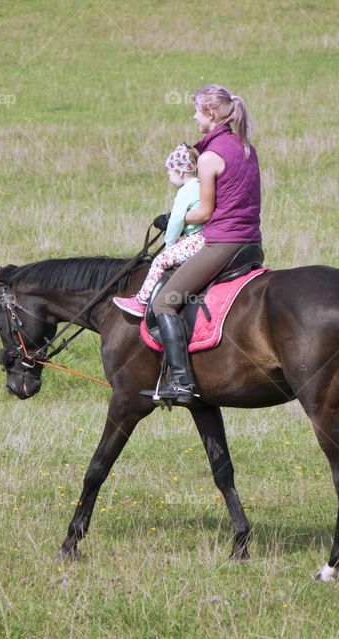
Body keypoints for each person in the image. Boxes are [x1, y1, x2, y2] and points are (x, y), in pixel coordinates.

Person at [146, 84, 262, 404]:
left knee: (164, 303)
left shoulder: (211, 157)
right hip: (251, 244)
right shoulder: (245, 147)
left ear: (210, 114)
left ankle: (181, 382)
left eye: (196, 111)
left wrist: (176, 218)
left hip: (222, 244)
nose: (194, 117)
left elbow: (206, 211)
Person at [113, 143, 204, 317]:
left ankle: (142, 301)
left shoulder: (185, 191)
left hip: (196, 240)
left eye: (169, 172)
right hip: (203, 238)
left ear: (179, 171)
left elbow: (176, 221)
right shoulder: (201, 186)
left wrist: (170, 243)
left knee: (160, 261)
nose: (169, 176)